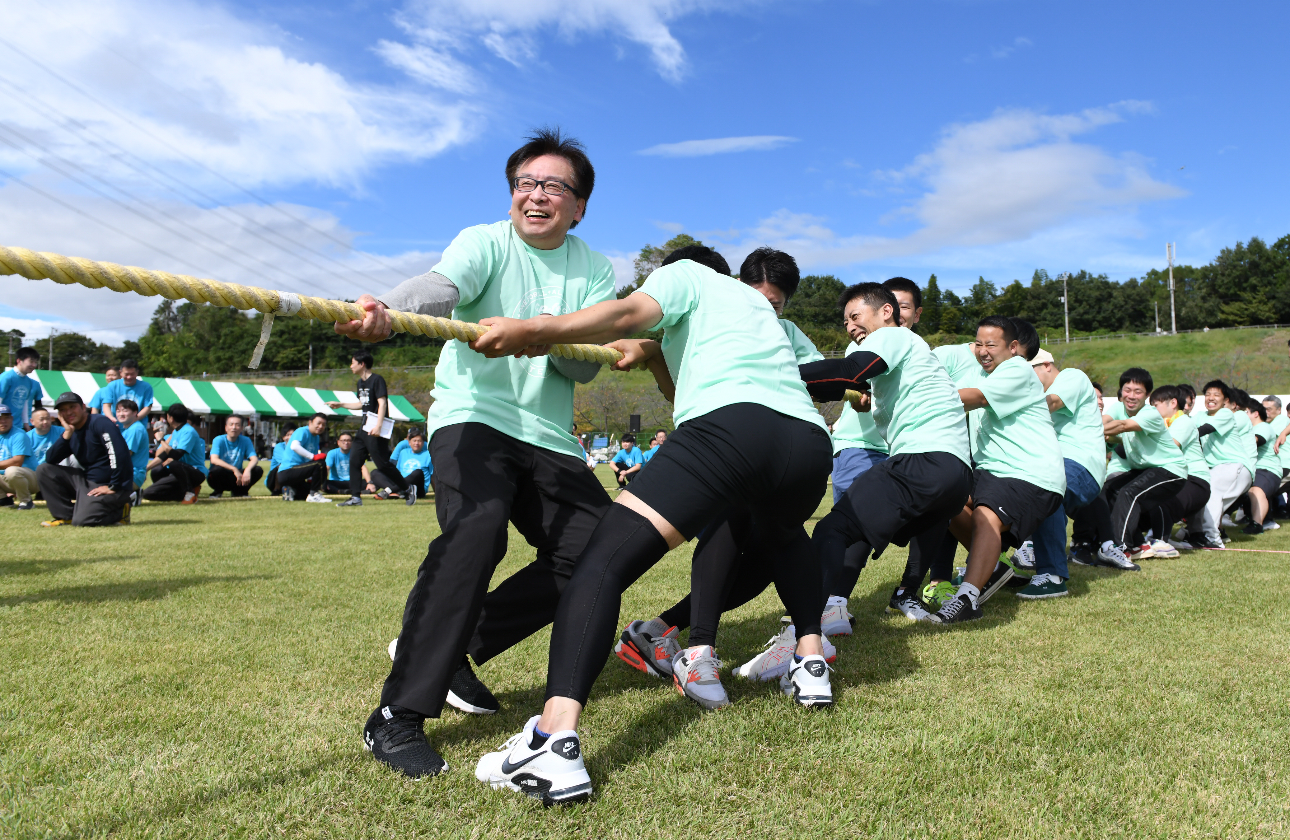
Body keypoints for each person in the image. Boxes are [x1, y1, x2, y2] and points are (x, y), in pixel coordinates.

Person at [470, 243, 834, 804]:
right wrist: (657, 352)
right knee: (785, 536)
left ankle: (552, 741)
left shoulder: (689, 274)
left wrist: (533, 328)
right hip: (807, 444)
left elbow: (627, 314)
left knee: (600, 565)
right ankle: (811, 662)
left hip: (735, 428)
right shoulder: (754, 309)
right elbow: (681, 390)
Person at [349, 129, 619, 782]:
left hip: (548, 436)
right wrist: (390, 311)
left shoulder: (595, 270)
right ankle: (396, 716)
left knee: (602, 548)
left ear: (580, 206)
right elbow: (440, 289)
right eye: (526, 183)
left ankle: (455, 648)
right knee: (479, 527)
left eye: (554, 186)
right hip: (474, 417)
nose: (537, 195)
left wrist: (538, 333)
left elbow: (583, 371)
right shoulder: (485, 242)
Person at [936, 316, 1065, 624]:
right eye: (978, 344)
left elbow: (977, 398)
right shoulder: (982, 374)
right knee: (941, 498)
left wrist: (917, 399)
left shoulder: (1017, 370)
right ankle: (992, 566)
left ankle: (967, 598)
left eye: (991, 345)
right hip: (991, 472)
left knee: (986, 514)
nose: (983, 351)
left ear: (1013, 347)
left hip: (1028, 472)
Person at [1020, 349, 1107, 599]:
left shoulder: (1072, 376)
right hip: (1051, 463)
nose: (1026, 380)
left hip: (1080, 463)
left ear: (1047, 365)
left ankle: (1052, 575)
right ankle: (998, 564)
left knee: (1047, 487)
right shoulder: (1035, 394)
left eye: (1030, 373)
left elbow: (1052, 403)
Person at [1100, 369, 1188, 560]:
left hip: (1171, 470)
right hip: (1146, 469)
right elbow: (1105, 421)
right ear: (1121, 391)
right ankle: (1137, 545)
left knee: (1129, 493)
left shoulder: (1150, 414)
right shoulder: (1118, 407)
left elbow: (1123, 426)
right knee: (1108, 489)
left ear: (1147, 395)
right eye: (1127, 390)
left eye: (1138, 391)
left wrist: (1091, 430)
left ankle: (1120, 548)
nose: (1131, 396)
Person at [36, 392, 133, 526]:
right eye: (63, 410)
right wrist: (67, 434)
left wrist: (114, 485)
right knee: (44, 470)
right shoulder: (72, 431)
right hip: (87, 481)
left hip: (109, 484)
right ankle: (66, 516)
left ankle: (121, 510)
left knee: (83, 521)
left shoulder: (99, 422)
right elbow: (51, 459)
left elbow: (119, 453)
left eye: (72, 407)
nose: (68, 412)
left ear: (83, 407)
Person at [329, 352, 409, 507]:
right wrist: (341, 404)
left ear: (362, 364)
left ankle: (406, 488)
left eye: (353, 363)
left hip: (375, 428)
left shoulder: (377, 380)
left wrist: (378, 426)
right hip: (364, 427)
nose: (351, 366)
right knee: (354, 460)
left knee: (382, 464)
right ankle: (355, 497)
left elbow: (382, 403)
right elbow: (362, 404)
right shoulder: (360, 383)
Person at [1141, 386, 1211, 552]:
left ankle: (1160, 542)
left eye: (1155, 405)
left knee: (1163, 500)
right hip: (1178, 477)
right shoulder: (1165, 424)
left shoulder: (1183, 421)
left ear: (1172, 403)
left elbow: (1170, 447)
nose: (1153, 410)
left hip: (1194, 479)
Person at [1196, 379, 1254, 549]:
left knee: (1211, 492)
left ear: (1225, 401)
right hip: (1215, 468)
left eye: (1216, 395)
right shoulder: (1199, 416)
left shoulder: (1226, 414)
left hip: (1234, 465)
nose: (1211, 398)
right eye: (1207, 394)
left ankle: (1212, 538)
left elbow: (1204, 430)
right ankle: (1194, 534)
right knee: (1201, 495)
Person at [142, 404, 207, 503]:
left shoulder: (188, 432)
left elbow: (176, 455)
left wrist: (161, 440)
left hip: (196, 472)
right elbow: (164, 455)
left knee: (173, 464)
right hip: (179, 472)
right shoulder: (176, 432)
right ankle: (182, 494)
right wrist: (146, 469)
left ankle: (190, 493)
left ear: (170, 418)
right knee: (148, 492)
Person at [275, 413, 329, 502]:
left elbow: (310, 461)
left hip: (298, 474)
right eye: (318, 423)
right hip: (288, 471)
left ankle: (289, 490)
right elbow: (294, 446)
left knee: (305, 493)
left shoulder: (316, 437)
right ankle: (314, 494)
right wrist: (313, 457)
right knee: (320, 464)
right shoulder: (302, 431)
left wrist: (311, 478)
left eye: (323, 424)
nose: (321, 426)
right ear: (310, 422)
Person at [206, 415, 263, 497]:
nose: (234, 427)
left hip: (237, 477)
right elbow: (214, 459)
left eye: (237, 425)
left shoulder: (246, 440)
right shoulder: (218, 440)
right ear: (226, 428)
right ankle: (218, 491)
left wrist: (247, 470)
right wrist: (234, 469)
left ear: (242, 428)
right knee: (217, 470)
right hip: (220, 476)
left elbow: (254, 459)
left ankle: (240, 491)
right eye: (231, 424)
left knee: (258, 470)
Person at [372, 429, 432, 497]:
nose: (416, 443)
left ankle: (389, 491)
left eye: (419, 441)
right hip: (402, 485)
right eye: (414, 441)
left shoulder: (429, 455)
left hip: (417, 489)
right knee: (375, 472)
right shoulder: (403, 452)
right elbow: (397, 471)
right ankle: (395, 492)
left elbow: (433, 475)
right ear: (409, 442)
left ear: (423, 443)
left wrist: (437, 492)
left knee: (418, 472)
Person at [0, 403, 36, 509]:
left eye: (6, 418)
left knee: (12, 471)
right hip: (9, 479)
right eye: (0, 418)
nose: (3, 421)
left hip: (31, 479)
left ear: (12, 419)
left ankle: (27, 501)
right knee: (10, 472)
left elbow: (17, 462)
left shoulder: (18, 435)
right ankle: (4, 500)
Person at [0, 347, 43, 430]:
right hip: (3, 426)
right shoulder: (5, 378)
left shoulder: (28, 381)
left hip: (18, 426)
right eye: (31, 361)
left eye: (35, 362)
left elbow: (25, 403)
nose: (34, 365)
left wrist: (26, 423)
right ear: (19, 361)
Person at [115, 399, 150, 500]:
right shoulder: (128, 429)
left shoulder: (135, 429)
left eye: (125, 411)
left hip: (131, 476)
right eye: (118, 411)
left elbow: (125, 455)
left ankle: (131, 496)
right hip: (129, 475)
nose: (121, 414)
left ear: (135, 413)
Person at [264, 427, 294, 494]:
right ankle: (276, 489)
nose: (290, 437)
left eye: (292, 435)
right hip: (273, 480)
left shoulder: (299, 447)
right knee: (281, 466)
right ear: (283, 437)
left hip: (290, 477)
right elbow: (286, 461)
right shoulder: (279, 447)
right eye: (287, 435)